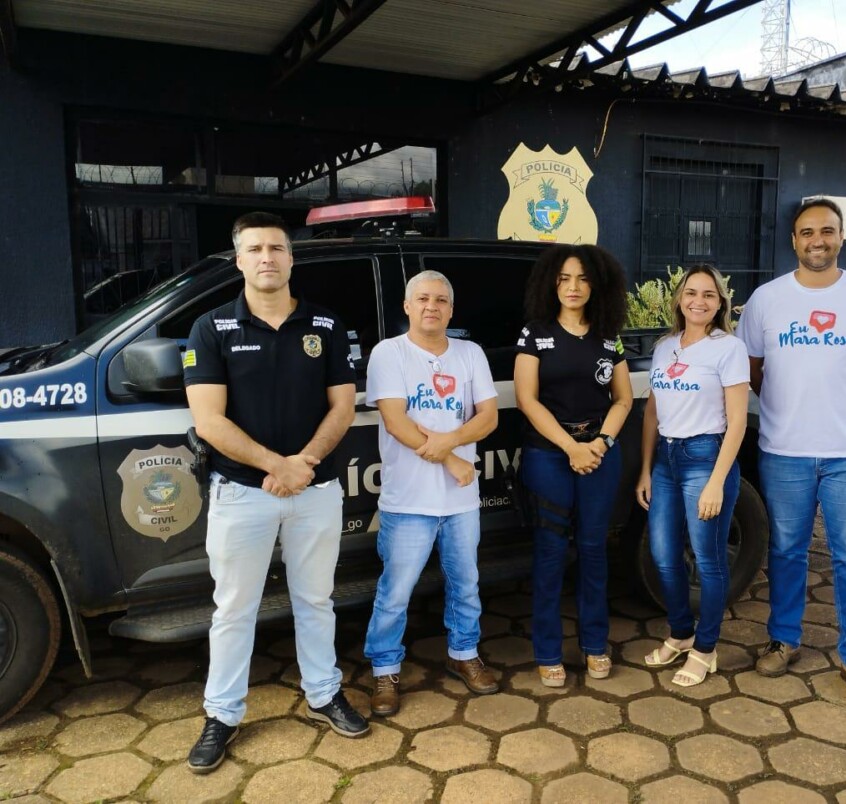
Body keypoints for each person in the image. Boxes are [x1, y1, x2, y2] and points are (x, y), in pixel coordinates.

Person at [183, 212, 367, 775]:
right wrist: (275, 465)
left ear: (292, 258)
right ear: (239, 259)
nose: (267, 257)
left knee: (316, 599)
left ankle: (324, 693)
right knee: (234, 609)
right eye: (256, 249)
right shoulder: (210, 328)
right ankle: (222, 714)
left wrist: (303, 465)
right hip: (243, 491)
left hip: (315, 487)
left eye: (277, 248)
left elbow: (343, 406)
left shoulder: (327, 325)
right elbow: (209, 421)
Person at [736, 198, 846, 705]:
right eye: (807, 232)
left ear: (840, 237)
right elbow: (754, 371)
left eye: (827, 231)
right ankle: (784, 639)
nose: (817, 240)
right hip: (784, 450)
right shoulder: (766, 300)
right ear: (794, 240)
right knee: (786, 551)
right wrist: (792, 406)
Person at [363, 270, 500, 716]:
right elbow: (396, 422)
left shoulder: (470, 354)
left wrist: (447, 443)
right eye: (422, 298)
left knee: (466, 583)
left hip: (460, 502)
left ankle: (464, 653)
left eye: (441, 300)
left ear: (451, 310)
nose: (431, 306)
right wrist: (452, 459)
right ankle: (385, 668)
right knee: (395, 591)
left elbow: (488, 417)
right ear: (407, 306)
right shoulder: (389, 353)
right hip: (408, 501)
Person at [514, 244, 632, 687]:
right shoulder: (535, 333)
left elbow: (622, 399)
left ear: (597, 285)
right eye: (564, 278)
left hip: (600, 454)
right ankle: (547, 651)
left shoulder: (609, 336)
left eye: (582, 278)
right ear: (551, 283)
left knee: (594, 549)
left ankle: (595, 644)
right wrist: (571, 448)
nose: (573, 287)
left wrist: (600, 443)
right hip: (549, 455)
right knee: (549, 553)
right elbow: (527, 400)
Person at [635, 265, 749, 686]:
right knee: (663, 555)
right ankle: (681, 633)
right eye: (691, 293)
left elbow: (737, 421)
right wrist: (646, 469)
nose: (698, 301)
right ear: (679, 299)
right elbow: (653, 411)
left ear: (720, 304)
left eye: (708, 295)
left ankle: (705, 648)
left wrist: (717, 481)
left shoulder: (728, 348)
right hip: (665, 460)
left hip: (705, 456)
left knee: (708, 558)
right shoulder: (666, 347)